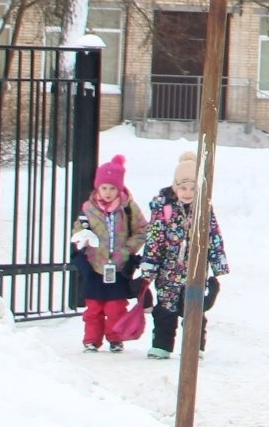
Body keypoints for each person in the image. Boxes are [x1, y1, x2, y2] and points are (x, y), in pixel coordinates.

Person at [143, 150, 228, 360]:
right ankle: (162, 345)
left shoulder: (203, 208)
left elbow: (213, 235)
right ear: (175, 187)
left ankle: (193, 346)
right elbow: (154, 240)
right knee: (165, 310)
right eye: (183, 188)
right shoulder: (164, 208)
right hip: (168, 272)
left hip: (195, 270)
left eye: (192, 188)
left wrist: (218, 263)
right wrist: (149, 268)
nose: (188, 193)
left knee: (194, 309)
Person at [71, 155, 147, 352]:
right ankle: (91, 340)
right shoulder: (88, 209)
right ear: (97, 187)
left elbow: (141, 230)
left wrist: (128, 249)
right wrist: (83, 237)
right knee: (93, 308)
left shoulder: (128, 208)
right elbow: (78, 230)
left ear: (119, 189)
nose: (107, 192)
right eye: (104, 188)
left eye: (112, 188)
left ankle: (115, 337)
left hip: (118, 267)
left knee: (115, 307)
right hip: (95, 266)